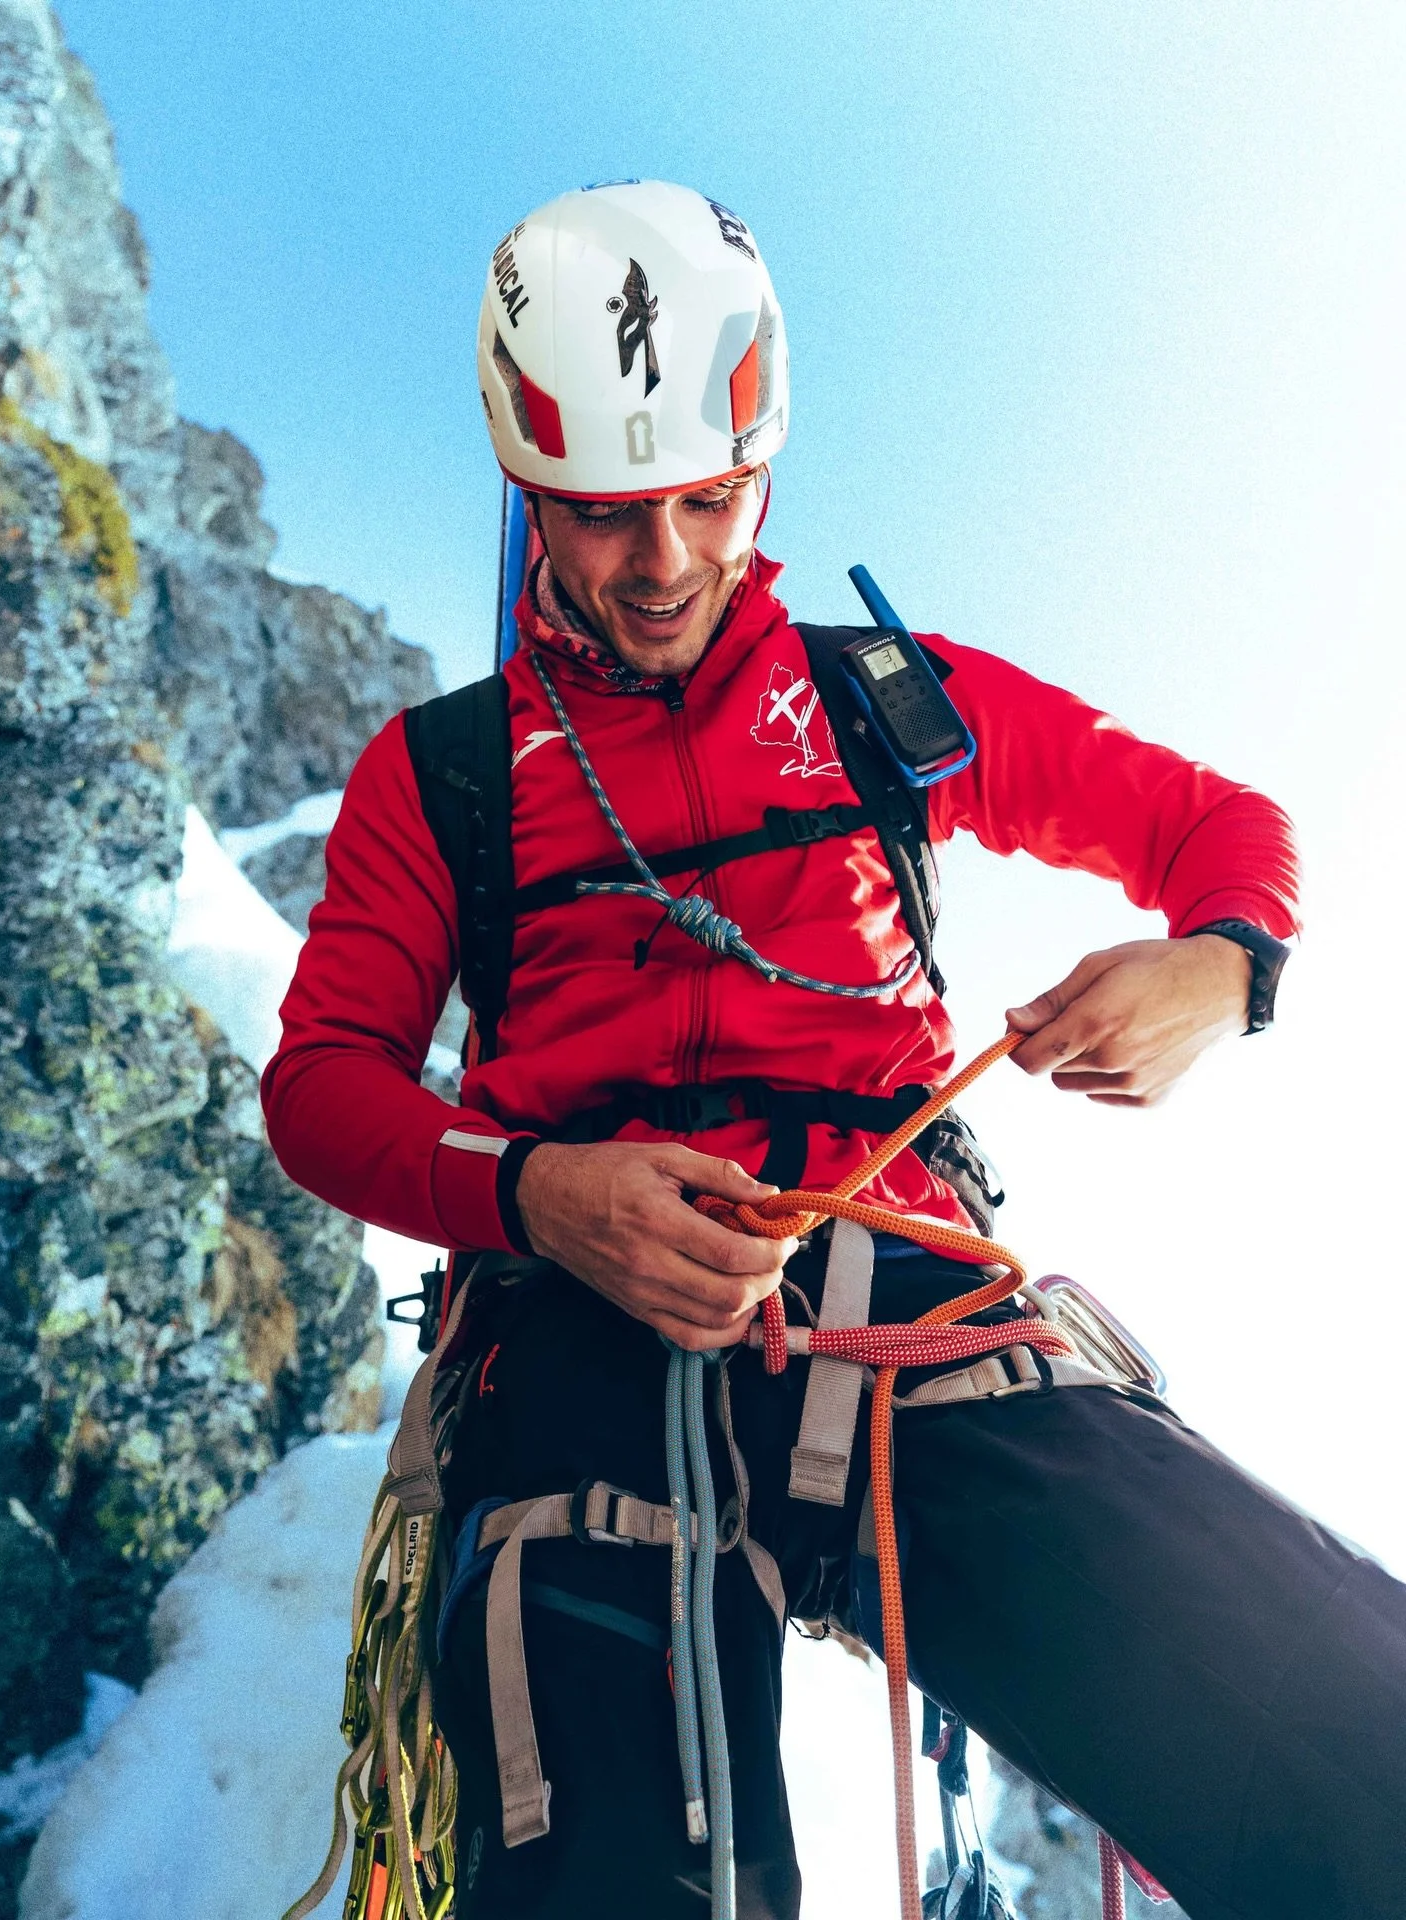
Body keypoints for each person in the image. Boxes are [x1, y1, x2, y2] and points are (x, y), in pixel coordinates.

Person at [262, 182, 1406, 1920]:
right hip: (570, 1331)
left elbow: (1221, 830)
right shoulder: (445, 775)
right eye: (603, 514)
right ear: (528, 491)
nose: (662, 564)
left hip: (907, 1298)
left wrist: (1222, 967)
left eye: (709, 497)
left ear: (764, 467)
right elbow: (322, 1087)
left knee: (1353, 1733)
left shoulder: (882, 698)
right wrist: (545, 1195)